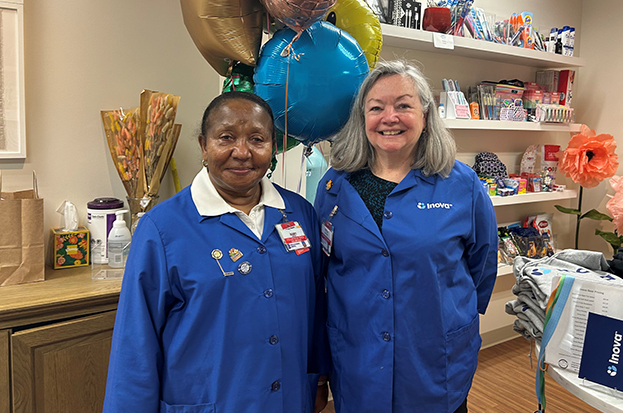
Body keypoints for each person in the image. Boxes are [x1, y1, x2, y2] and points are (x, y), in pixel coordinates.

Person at [103, 91, 329, 412]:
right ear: (204, 146)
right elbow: (135, 344)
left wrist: (319, 380)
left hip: (289, 400)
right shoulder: (163, 228)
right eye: (226, 138)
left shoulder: (299, 214)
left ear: (273, 146)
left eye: (257, 139)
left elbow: (317, 308)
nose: (242, 152)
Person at [314, 60, 498, 413]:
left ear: (426, 115)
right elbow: (322, 272)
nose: (389, 117)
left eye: (403, 105)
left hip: (434, 362)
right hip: (358, 358)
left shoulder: (461, 184)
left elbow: (482, 265)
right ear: (362, 118)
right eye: (376, 108)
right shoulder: (335, 186)